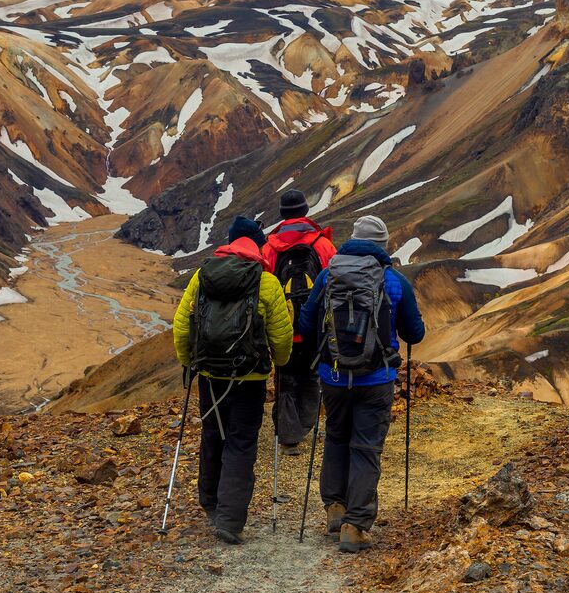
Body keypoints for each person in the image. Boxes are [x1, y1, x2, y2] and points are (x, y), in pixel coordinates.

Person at [296, 214, 425, 553]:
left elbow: (306, 323)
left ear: (351, 241)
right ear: (383, 247)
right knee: (366, 447)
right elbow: (415, 333)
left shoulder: (328, 275)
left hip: (334, 377)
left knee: (336, 437)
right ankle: (355, 526)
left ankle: (334, 509)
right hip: (377, 378)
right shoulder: (394, 280)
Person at [172, 216, 293, 544]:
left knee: (213, 435)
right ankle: (229, 518)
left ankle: (210, 502)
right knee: (241, 442)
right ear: (256, 245)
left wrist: (190, 362)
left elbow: (182, 325)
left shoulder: (202, 275)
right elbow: (281, 337)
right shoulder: (266, 283)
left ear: (229, 242)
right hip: (249, 377)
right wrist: (280, 362)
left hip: (210, 374)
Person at [261, 189, 337, 455]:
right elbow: (335, 282)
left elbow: (264, 286)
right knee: (311, 375)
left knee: (286, 377)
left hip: (282, 328)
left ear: (282, 214)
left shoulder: (269, 248)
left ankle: (289, 437)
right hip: (315, 327)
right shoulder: (322, 245)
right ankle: (306, 424)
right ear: (305, 211)